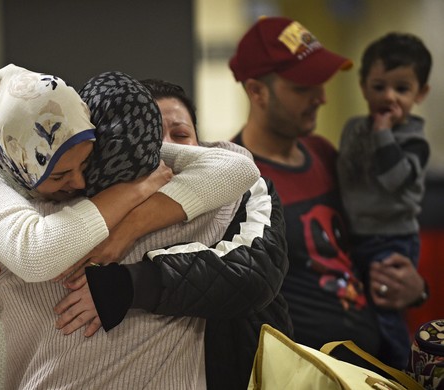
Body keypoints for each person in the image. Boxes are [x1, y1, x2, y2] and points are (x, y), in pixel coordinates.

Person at [0, 66, 260, 388]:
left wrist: (126, 235)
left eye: (86, 162)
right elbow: (239, 169)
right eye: (59, 173)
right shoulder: (211, 205)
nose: (76, 182)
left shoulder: (43, 235)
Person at [52, 78, 294, 389]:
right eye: (152, 138)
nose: (167, 150)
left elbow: (255, 272)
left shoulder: (243, 187)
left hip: (238, 369)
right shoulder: (97, 190)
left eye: (180, 135)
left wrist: (127, 283)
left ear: (200, 143)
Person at [228, 16, 428, 363]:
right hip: (307, 371)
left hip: (376, 360)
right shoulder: (236, 177)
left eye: (320, 83)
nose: (321, 98)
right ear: (257, 91)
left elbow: (372, 238)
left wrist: (415, 289)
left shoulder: (322, 153)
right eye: (303, 88)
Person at [336, 32, 432, 369]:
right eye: (379, 87)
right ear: (363, 87)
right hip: (355, 235)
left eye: (402, 89)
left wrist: (382, 131)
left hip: (391, 238)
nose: (388, 96)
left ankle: (400, 372)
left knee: (385, 311)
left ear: (420, 93)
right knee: (357, 310)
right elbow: (345, 175)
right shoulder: (352, 129)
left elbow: (393, 179)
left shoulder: (415, 142)